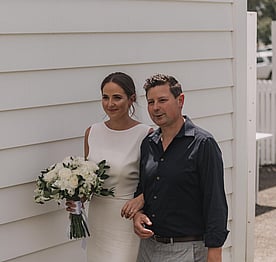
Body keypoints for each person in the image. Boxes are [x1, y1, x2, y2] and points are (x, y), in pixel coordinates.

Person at [133, 74, 229, 262]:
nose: (155, 107)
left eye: (162, 100)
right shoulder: (148, 143)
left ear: (180, 100)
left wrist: (215, 250)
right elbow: (143, 191)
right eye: (151, 102)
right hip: (147, 248)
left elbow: (215, 200)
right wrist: (138, 215)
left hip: (186, 250)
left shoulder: (203, 144)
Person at [66, 72, 152, 262]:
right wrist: (76, 198)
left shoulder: (145, 134)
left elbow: (154, 182)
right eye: (105, 97)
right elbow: (89, 183)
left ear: (131, 100)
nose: (110, 104)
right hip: (98, 219)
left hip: (126, 220)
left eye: (117, 98)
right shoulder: (92, 132)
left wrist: (140, 202)